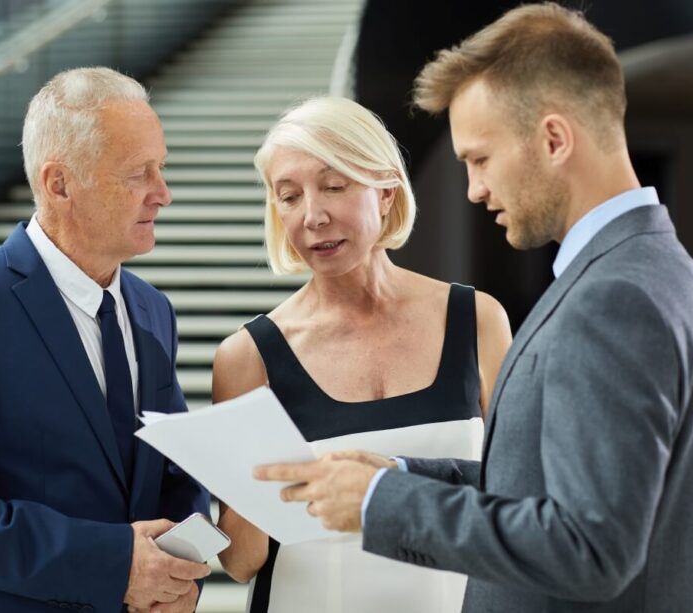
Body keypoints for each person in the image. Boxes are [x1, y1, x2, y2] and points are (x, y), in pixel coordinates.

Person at [255, 4, 693, 612]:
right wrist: (395, 475)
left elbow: (589, 548)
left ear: (554, 139)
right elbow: (545, 489)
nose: (474, 189)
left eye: (480, 158)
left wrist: (381, 503)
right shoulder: (665, 275)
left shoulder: (613, 302)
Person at [0, 67, 211, 613]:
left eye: (162, 169)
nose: (163, 194)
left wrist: (178, 572)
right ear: (60, 184)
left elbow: (172, 470)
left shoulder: (153, 310)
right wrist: (112, 564)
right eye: (138, 174)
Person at [212, 96, 512, 612]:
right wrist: (249, 480)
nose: (314, 216)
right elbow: (241, 561)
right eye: (289, 196)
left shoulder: (478, 320)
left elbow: (524, 491)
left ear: (387, 192)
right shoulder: (247, 356)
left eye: (334, 186)